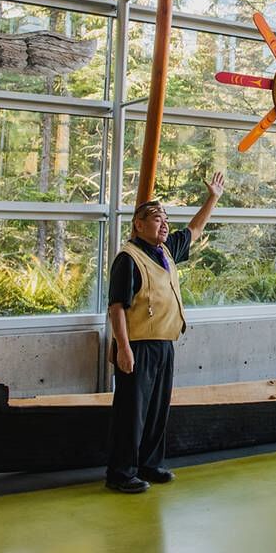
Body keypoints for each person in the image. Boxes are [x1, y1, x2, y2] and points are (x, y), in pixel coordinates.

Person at [105, 171, 225, 494]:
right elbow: (117, 307)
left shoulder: (166, 250)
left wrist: (212, 197)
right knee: (132, 412)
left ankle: (149, 463)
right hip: (137, 345)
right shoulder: (128, 259)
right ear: (138, 225)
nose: (163, 224)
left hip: (164, 343)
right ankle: (120, 472)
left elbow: (195, 230)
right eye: (156, 219)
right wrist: (123, 348)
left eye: (165, 219)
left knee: (158, 408)